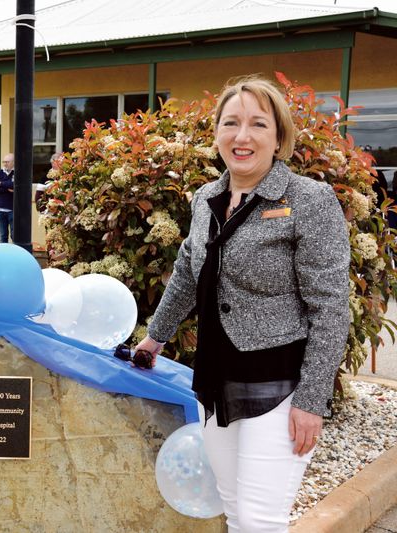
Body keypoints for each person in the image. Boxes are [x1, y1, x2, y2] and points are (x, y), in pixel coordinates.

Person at [135, 75, 349, 532]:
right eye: (231, 123)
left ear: (279, 137)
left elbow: (330, 307)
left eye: (257, 124)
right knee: (234, 512)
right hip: (216, 378)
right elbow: (188, 274)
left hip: (279, 384)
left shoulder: (309, 201)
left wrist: (312, 400)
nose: (242, 136)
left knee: (260, 520)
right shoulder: (206, 199)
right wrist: (155, 338)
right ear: (217, 134)